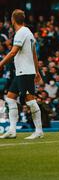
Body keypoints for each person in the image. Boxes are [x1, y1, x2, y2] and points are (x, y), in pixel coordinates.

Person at [0, 10, 44, 140]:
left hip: (25, 71)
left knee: (30, 101)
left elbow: (13, 52)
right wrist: (37, 71)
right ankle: (12, 130)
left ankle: (39, 131)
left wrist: (1, 64)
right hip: (22, 71)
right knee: (10, 98)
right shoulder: (28, 32)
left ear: (13, 20)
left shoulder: (20, 33)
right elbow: (34, 54)